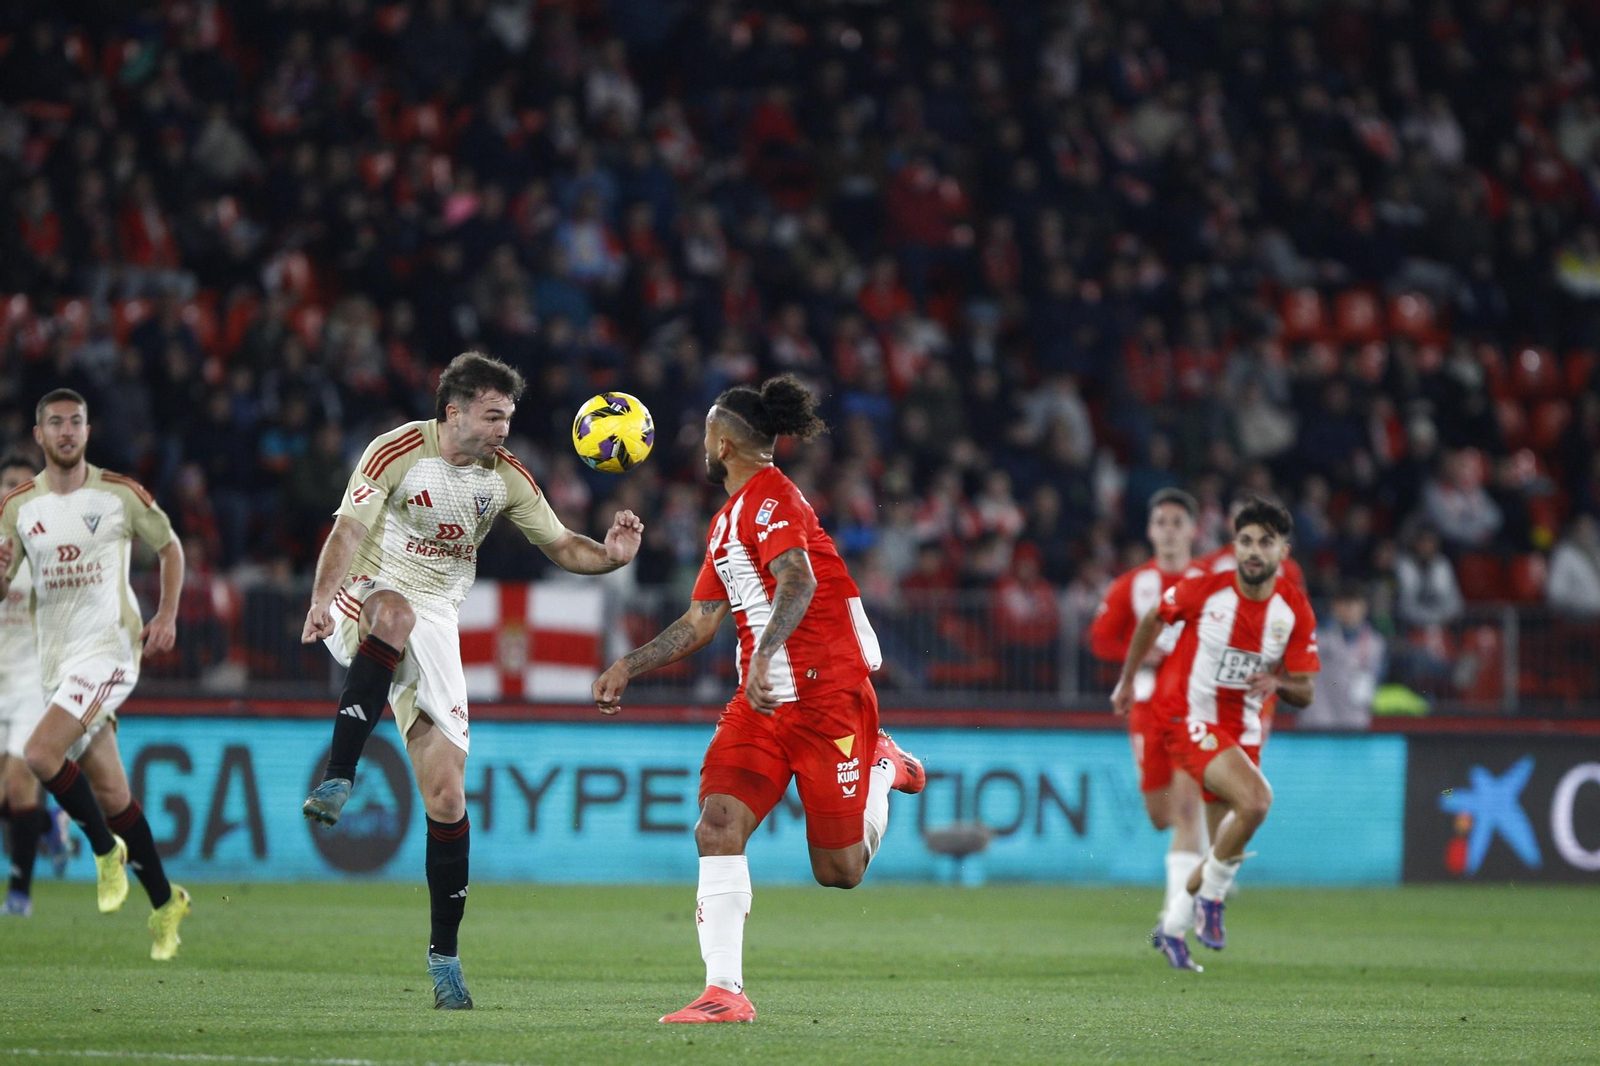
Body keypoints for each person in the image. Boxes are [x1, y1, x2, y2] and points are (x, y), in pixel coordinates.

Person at [297, 351, 643, 1010]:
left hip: (437, 619)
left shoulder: (504, 477)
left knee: (447, 799)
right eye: (493, 416)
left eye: (508, 416)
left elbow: (563, 544)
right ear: (453, 412)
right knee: (392, 612)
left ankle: (444, 958)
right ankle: (341, 775)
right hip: (369, 594)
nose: (503, 428)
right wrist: (322, 596)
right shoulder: (397, 451)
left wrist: (611, 556)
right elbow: (346, 528)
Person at [591, 375, 925, 1024]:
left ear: (722, 441)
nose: (701, 447)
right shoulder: (727, 522)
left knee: (842, 870)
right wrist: (628, 666)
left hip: (827, 699)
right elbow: (700, 621)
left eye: (704, 438)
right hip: (763, 706)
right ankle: (725, 992)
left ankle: (882, 766)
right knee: (717, 824)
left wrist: (766, 653)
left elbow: (796, 581)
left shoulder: (773, 498)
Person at [0, 390, 191, 957]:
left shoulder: (118, 494)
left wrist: (168, 613)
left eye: (75, 422)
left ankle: (105, 853)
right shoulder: (18, 508)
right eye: (55, 423)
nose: (66, 431)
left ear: (88, 430)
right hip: (56, 665)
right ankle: (164, 902)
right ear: (39, 435)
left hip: (110, 650)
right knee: (111, 790)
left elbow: (171, 546)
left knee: (39, 754)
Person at [1113, 495, 1319, 958]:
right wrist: (1128, 681)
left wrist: (1277, 682)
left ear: (1283, 552)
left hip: (1243, 730)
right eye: (1245, 540)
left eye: (1265, 542)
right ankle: (1210, 901)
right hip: (1189, 718)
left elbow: (1306, 691)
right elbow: (1151, 617)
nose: (1253, 551)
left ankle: (1172, 926)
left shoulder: (1295, 611)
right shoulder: (1206, 590)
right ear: (1233, 546)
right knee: (1258, 800)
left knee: (1223, 842)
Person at [1089, 487, 1208, 970]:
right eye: (1162, 521)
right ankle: (1198, 881)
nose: (1170, 529)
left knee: (1185, 808)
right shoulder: (1134, 585)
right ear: (1150, 530)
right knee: (1161, 815)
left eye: (1179, 521)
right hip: (1145, 709)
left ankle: (1174, 918)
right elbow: (1100, 639)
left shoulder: (1212, 584)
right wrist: (1141, 655)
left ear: (1194, 530)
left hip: (1196, 709)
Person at [0, 452, 66, 916]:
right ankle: (49, 821)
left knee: (19, 781)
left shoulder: (55, 551)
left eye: (26, 485)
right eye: (9, 484)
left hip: (32, 683)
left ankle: (19, 895)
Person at [1299, 583, 1385, 730]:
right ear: (1334, 607)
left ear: (1364, 607)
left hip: (1354, 722)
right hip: (1318, 722)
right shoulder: (1317, 638)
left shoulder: (1375, 644)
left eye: (1353, 604)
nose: (1348, 610)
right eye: (1343, 605)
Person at [1198, 495, 1307, 589]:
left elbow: (1299, 607)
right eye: (1238, 519)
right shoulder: (1208, 565)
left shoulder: (1288, 568)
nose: (1245, 526)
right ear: (1228, 522)